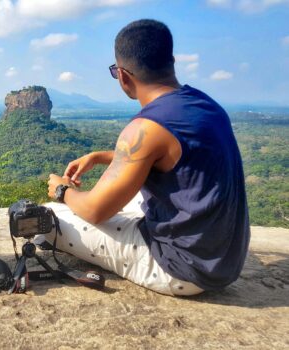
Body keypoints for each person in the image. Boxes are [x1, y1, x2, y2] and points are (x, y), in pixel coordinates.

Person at [44, 19, 250, 296]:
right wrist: (102, 156)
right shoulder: (206, 105)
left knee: (45, 218)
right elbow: (178, 158)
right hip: (223, 259)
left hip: (182, 269)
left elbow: (94, 210)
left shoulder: (144, 129)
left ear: (122, 75)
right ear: (171, 61)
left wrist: (61, 189)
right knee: (131, 198)